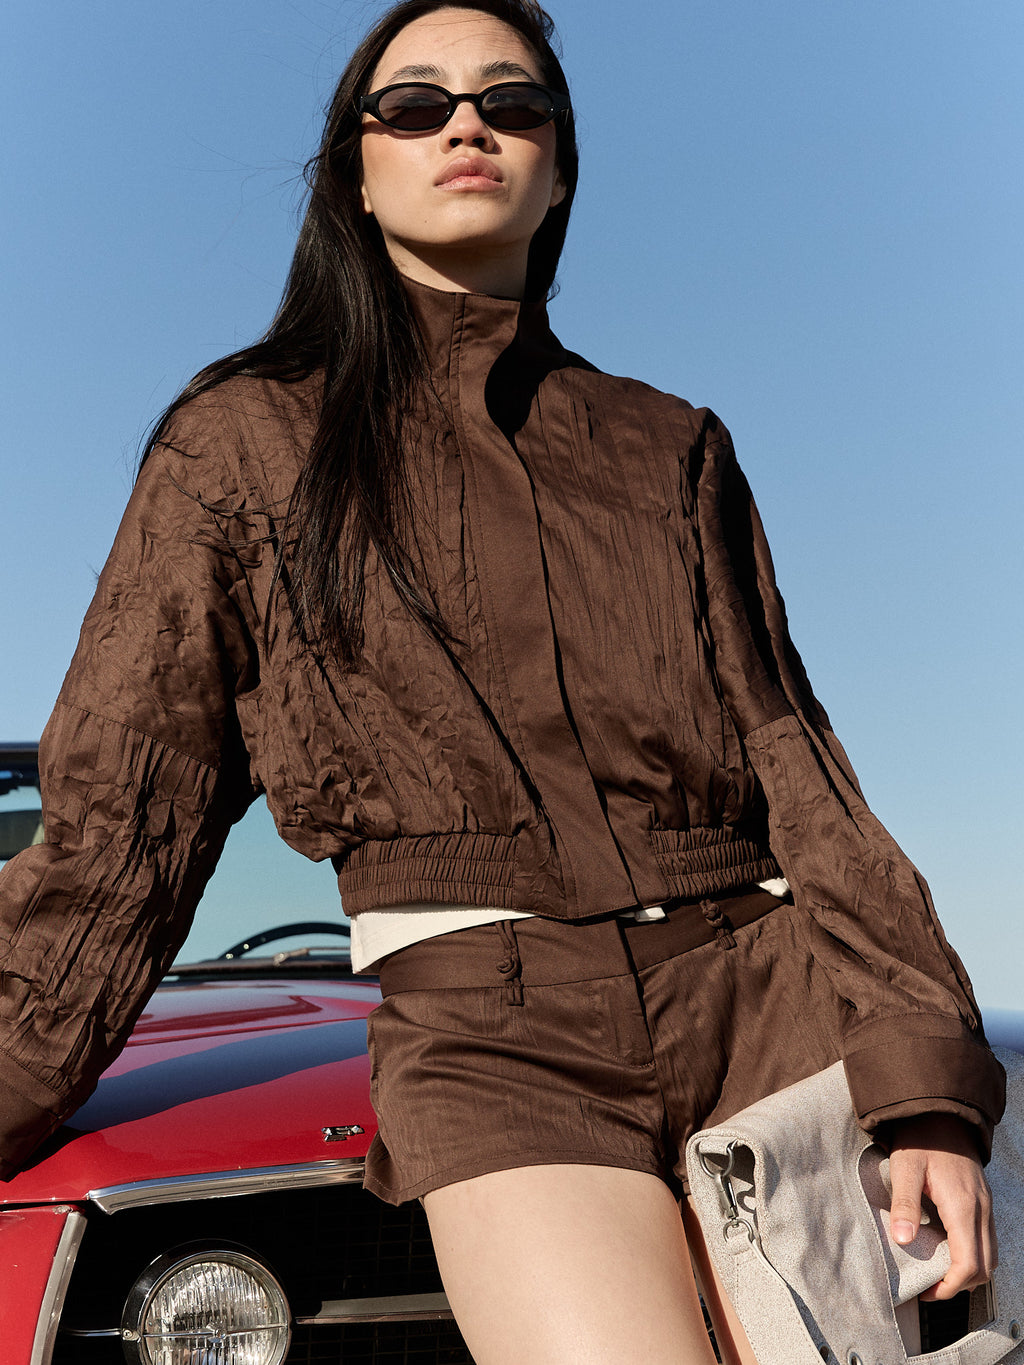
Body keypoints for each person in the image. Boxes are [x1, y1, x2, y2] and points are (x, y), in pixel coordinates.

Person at [0, 1, 1003, 1361]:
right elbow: (123, 824)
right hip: (494, 1034)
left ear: (560, 168)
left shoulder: (673, 446)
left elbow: (800, 774)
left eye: (512, 103)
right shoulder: (238, 447)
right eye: (414, 105)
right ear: (356, 175)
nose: (465, 125)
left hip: (771, 1001)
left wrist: (923, 1080)